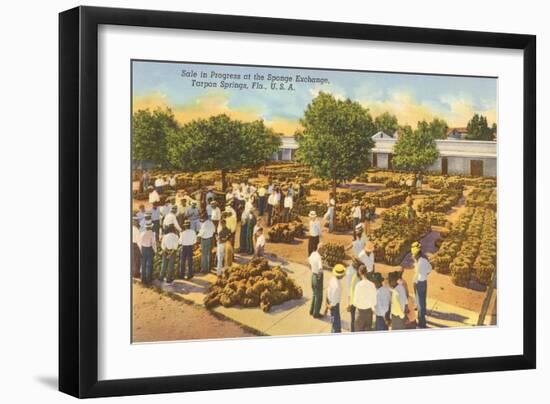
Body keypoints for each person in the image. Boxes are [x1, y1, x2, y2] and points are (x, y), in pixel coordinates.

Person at [411, 241, 432, 328]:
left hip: (419, 283)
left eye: (414, 255)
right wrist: (424, 274)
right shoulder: (424, 260)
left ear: (416, 254)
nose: (413, 256)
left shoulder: (418, 263)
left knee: (420, 305)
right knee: (423, 301)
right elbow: (429, 269)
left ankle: (421, 323)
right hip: (424, 282)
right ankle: (423, 314)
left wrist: (414, 285)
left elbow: (415, 278)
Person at [353, 265, 377, 331]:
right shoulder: (372, 285)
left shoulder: (358, 285)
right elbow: (375, 301)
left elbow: (355, 302)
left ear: (359, 272)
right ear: (366, 272)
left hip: (360, 313)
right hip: (369, 313)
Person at [326, 264, 346, 333]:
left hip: (330, 302)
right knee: (336, 323)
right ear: (340, 275)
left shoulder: (332, 279)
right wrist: (329, 306)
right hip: (334, 306)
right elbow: (334, 301)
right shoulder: (337, 287)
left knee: (333, 321)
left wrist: (327, 303)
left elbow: (328, 290)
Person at [308, 244, 324, 318]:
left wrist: (312, 269)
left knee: (314, 294)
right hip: (317, 278)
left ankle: (311, 310)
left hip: (313, 276)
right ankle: (316, 313)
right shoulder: (319, 258)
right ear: (320, 249)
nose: (323, 252)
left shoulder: (313, 254)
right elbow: (320, 269)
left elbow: (308, 261)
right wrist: (319, 277)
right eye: (323, 250)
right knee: (319, 297)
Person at [345, 260, 360, 331]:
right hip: (353, 297)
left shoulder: (349, 269)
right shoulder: (353, 273)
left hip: (351, 296)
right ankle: (353, 330)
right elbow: (349, 288)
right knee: (354, 316)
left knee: (352, 316)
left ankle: (352, 328)